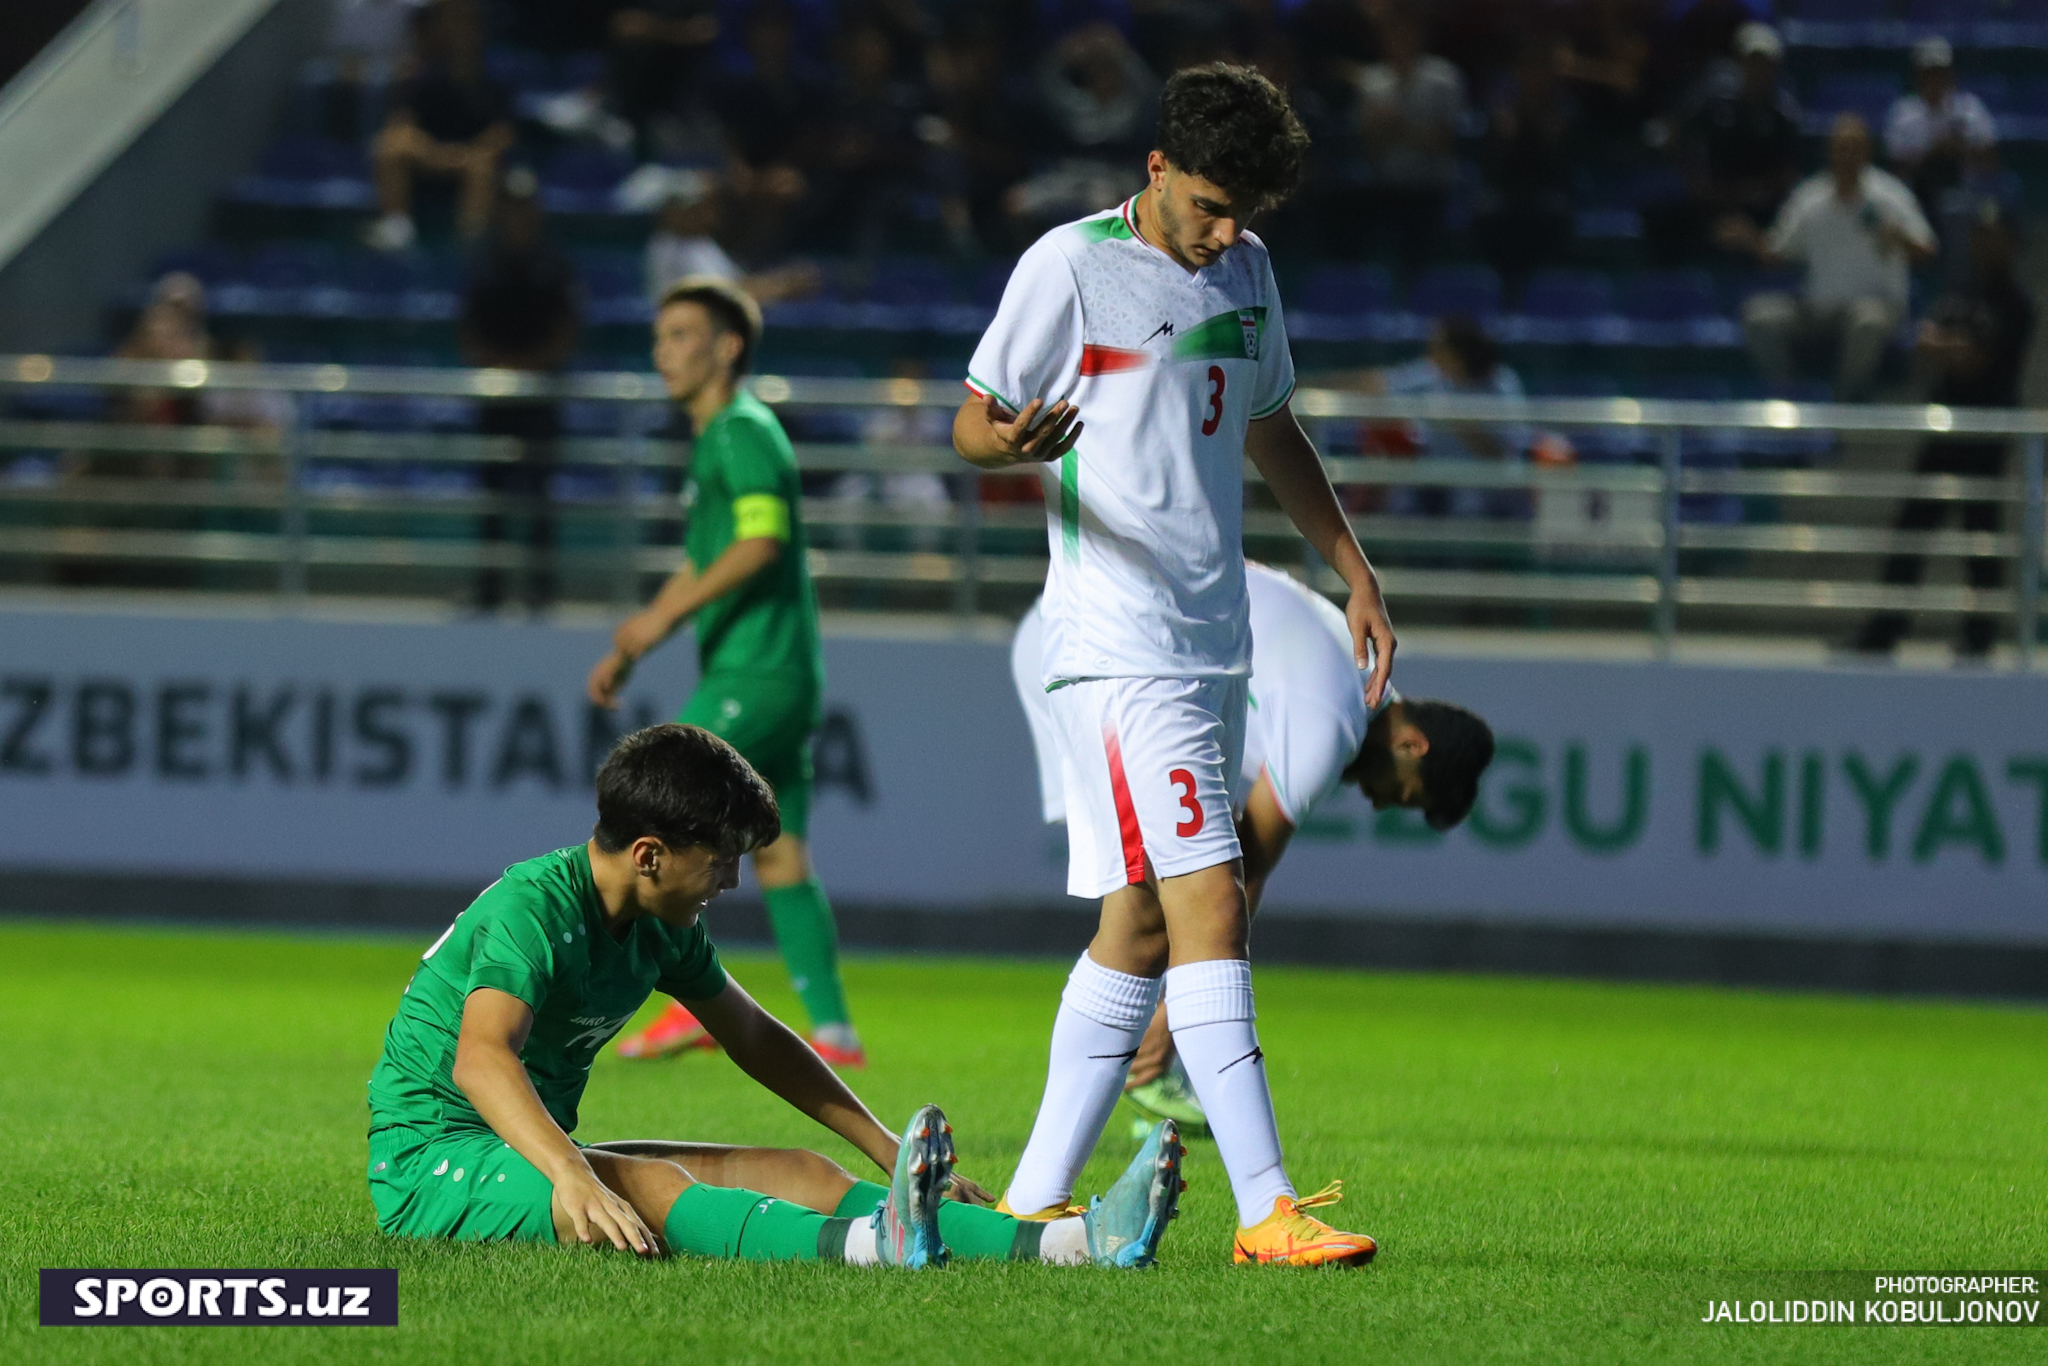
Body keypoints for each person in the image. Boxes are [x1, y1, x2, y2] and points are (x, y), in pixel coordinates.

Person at [953, 63, 1398, 1267]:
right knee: (1210, 896)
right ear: (1153, 171)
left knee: (1142, 925)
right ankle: (1267, 1209)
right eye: (1205, 204)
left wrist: (1350, 567)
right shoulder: (1070, 266)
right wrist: (1011, 440)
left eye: (1240, 211)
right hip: (1116, 641)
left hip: (1210, 643)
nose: (1221, 231)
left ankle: (1031, 1202)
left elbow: (1268, 428)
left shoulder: (1244, 268)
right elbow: (970, 419)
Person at [365, 722, 1185, 1268]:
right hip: (432, 1163)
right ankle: (875, 1248)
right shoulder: (532, 910)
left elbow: (756, 1039)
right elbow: (480, 1060)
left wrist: (883, 1144)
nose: (729, 880)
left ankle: (1070, 1244)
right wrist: (571, 1176)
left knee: (792, 1167)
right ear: (648, 854)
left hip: (522, 1149)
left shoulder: (660, 922)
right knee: (641, 1189)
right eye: (719, 860)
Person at [1013, 562, 1497, 1130]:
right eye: (1405, 794)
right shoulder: (1331, 723)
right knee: (1150, 897)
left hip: (1098, 626)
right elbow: (1247, 872)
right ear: (1412, 745)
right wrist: (1174, 1013)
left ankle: (1139, 1068)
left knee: (1165, 883)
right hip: (1092, 646)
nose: (1381, 804)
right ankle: (1136, 1075)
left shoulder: (1347, 678)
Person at [591, 278, 865, 1069]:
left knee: (660, 804)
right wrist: (639, 636)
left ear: (728, 347)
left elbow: (759, 545)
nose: (662, 350)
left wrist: (660, 621)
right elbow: (708, 557)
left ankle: (688, 997)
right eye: (660, 336)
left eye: (681, 334)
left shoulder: (740, 431)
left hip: (761, 670)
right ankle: (835, 1032)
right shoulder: (726, 437)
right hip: (780, 672)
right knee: (781, 856)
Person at [1853, 203, 2035, 660]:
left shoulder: (2018, 304)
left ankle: (1979, 639)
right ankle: (1883, 633)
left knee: (1981, 540)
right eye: (1979, 236)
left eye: (1994, 237)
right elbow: (1927, 344)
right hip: (1945, 427)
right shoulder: (1959, 291)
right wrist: (1949, 348)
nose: (1984, 245)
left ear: (2012, 245)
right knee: (1911, 532)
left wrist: (1948, 347)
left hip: (1986, 436)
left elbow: (1976, 358)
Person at [1719, 113, 1936, 401]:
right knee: (1758, 315)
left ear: (1867, 151)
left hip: (1876, 306)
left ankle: (1842, 402)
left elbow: (1928, 250)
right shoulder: (1810, 197)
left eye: (1854, 148)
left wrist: (1899, 238)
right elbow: (1776, 253)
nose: (1847, 156)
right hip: (1818, 308)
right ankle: (1788, 393)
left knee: (1867, 323)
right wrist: (1748, 238)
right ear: (1830, 151)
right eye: (1841, 148)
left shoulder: (1890, 196)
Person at [461, 169, 581, 616]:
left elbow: (566, 333)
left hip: (540, 399)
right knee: (491, 499)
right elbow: (468, 332)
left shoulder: (554, 266)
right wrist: (500, 369)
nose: (516, 216)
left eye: (523, 207)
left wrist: (527, 370)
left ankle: (541, 592)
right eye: (508, 207)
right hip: (494, 399)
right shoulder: (485, 264)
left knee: (539, 500)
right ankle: (489, 589)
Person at [1648, 21, 1801, 266]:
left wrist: (1748, 211)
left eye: (1765, 64)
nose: (1758, 70)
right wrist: (1705, 192)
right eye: (1752, 62)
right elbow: (1676, 137)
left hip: (1762, 210)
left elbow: (1787, 179)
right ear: (1739, 63)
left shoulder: (1784, 116)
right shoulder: (1711, 104)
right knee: (1662, 219)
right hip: (1712, 206)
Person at [367, 0, 512, 250]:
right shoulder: (420, 76)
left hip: (471, 162)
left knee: (483, 165)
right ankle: (396, 225)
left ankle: (468, 243)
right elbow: (401, 124)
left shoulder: (496, 79)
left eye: (468, 23)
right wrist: (439, 155)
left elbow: (501, 135)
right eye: (454, 23)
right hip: (428, 157)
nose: (461, 31)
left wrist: (465, 156)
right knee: (391, 147)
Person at [1354, 7, 1465, 270]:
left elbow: (1444, 144)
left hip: (1431, 187)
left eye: (1408, 32)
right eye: (1394, 33)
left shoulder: (1444, 79)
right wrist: (1403, 132)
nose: (1401, 39)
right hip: (1384, 185)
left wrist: (1398, 126)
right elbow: (1370, 147)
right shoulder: (1371, 81)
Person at [1884, 37, 1997, 223]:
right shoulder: (1903, 114)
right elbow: (1895, 171)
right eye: (1929, 73)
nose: (1935, 80)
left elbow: (1991, 161)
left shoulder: (1970, 108)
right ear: (1917, 75)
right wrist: (1931, 152)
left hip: (1966, 190)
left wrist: (1959, 149)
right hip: (1918, 194)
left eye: (1940, 73)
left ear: (1950, 74)